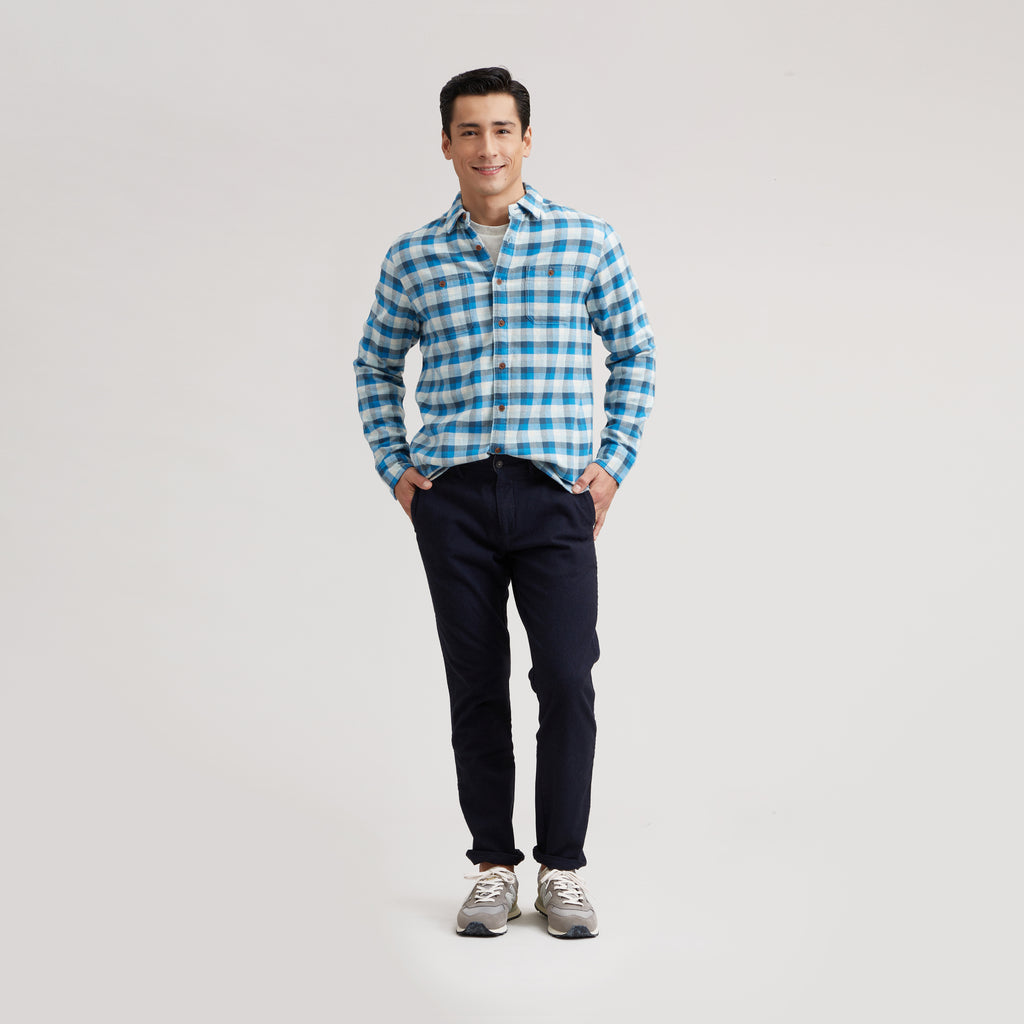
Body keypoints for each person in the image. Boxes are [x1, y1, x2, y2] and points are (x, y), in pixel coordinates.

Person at [354, 67, 655, 939]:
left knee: (565, 677)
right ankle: (493, 866)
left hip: (553, 495)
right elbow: (376, 364)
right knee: (475, 684)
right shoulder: (413, 256)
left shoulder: (585, 240)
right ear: (446, 144)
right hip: (452, 500)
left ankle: (563, 870)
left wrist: (611, 465)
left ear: (526, 139)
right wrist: (396, 467)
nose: (486, 147)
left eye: (500, 130)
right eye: (469, 131)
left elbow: (635, 351)